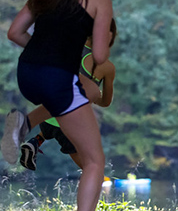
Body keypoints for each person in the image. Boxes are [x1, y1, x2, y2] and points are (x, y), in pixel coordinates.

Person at [5, 0, 114, 211]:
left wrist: (44, 51)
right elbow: (100, 55)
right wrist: (103, 31)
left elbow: (14, 32)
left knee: (60, 100)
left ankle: (23, 124)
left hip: (27, 73)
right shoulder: (98, 0)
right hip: (57, 79)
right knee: (95, 160)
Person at [20, 20, 117, 171]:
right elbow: (105, 102)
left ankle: (35, 142)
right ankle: (99, 188)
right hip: (71, 122)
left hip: (48, 112)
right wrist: (93, 94)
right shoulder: (107, 67)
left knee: (50, 128)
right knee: (91, 168)